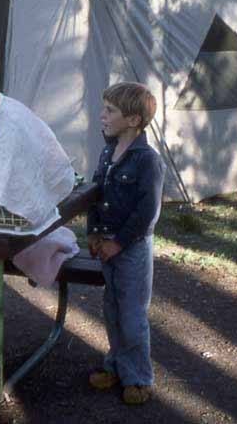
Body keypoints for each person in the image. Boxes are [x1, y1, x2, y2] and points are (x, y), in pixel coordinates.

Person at [86, 82, 164, 406]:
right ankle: (115, 367)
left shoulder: (147, 160)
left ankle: (139, 378)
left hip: (131, 250)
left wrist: (117, 243)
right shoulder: (108, 152)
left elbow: (147, 213)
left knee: (132, 317)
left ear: (133, 120)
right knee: (112, 311)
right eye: (104, 108)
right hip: (107, 246)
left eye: (110, 111)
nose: (102, 115)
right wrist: (93, 233)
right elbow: (95, 194)